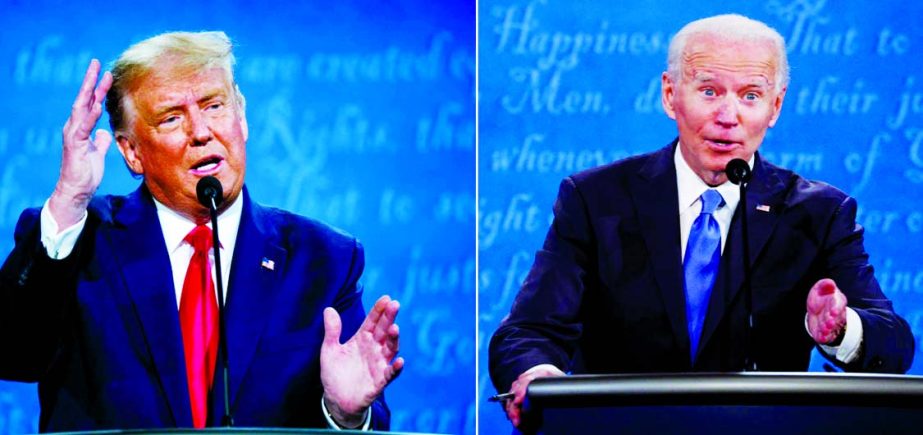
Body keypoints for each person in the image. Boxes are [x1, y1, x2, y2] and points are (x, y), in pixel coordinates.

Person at [488, 14, 915, 429]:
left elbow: (894, 345)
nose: (729, 115)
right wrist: (539, 375)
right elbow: (528, 330)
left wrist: (840, 329)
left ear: (776, 106)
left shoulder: (818, 214)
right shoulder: (595, 200)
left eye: (750, 95)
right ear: (670, 95)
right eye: (709, 91)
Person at [0, 31, 403, 431]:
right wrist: (70, 198)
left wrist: (346, 414)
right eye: (172, 117)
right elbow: (14, 354)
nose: (201, 131)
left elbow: (364, 412)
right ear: (132, 152)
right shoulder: (80, 240)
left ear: (242, 119)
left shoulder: (323, 259)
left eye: (214, 106)